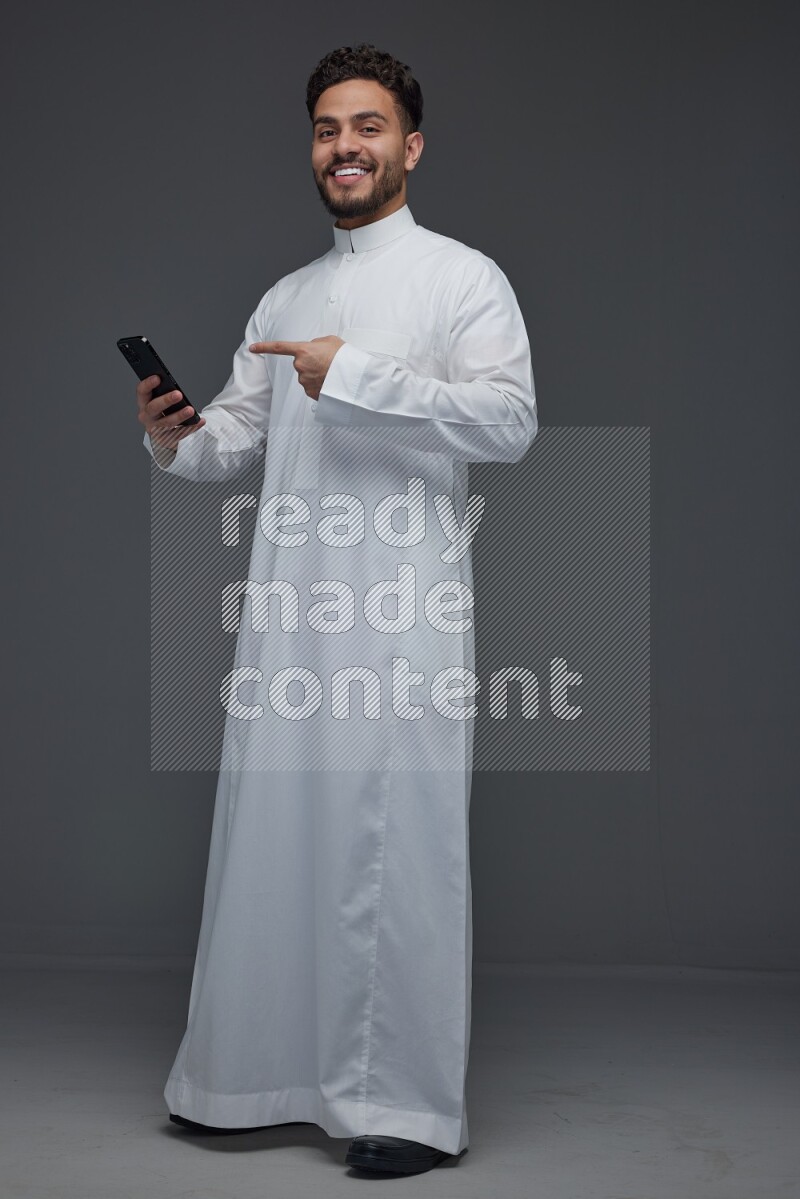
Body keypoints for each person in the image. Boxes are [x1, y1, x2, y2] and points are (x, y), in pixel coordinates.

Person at [137, 42, 537, 1177]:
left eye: (366, 127)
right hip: (288, 618)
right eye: (325, 128)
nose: (344, 146)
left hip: (401, 620)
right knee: (272, 841)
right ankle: (240, 1077)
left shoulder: (463, 278)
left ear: (409, 146)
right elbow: (234, 439)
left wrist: (355, 374)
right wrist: (176, 432)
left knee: (394, 852)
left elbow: (507, 422)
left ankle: (403, 1109)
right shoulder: (286, 294)